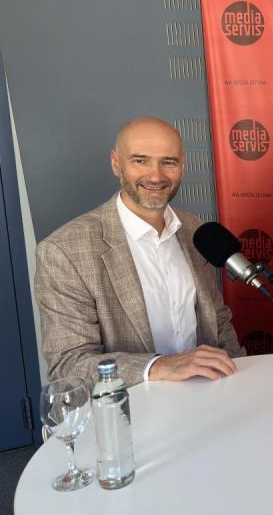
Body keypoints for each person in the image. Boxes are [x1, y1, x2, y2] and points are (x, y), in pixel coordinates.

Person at [35, 117, 245, 387]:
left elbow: (217, 320)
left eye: (168, 162)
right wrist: (158, 366)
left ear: (182, 166)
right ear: (116, 163)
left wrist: (239, 376)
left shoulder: (196, 230)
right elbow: (69, 364)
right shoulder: (64, 251)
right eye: (140, 161)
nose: (156, 176)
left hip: (209, 394)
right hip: (131, 405)